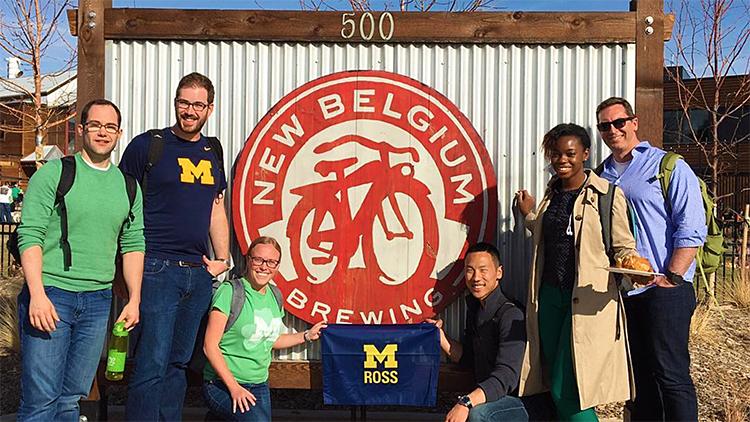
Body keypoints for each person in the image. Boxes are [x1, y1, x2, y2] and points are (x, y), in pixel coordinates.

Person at [15, 99, 145, 421]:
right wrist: (37, 294)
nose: (103, 132)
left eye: (110, 127)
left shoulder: (128, 186)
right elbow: (29, 235)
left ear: (119, 133)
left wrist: (134, 299)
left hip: (98, 301)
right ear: (82, 129)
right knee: (41, 401)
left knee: (72, 399)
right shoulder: (55, 174)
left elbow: (133, 244)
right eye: (96, 125)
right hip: (52, 295)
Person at [120, 72, 232, 421]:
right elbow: (121, 204)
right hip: (156, 268)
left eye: (198, 104)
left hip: (198, 274)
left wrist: (223, 258)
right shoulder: (147, 146)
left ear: (209, 109)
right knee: (151, 363)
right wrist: (121, 270)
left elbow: (216, 208)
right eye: (184, 102)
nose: (189, 111)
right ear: (175, 103)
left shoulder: (213, 150)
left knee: (178, 364)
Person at [516, 123, 645, 421]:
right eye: (556, 154)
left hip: (586, 303)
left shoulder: (607, 195)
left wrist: (633, 267)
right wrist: (530, 214)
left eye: (570, 153)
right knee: (554, 383)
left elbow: (623, 246)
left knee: (567, 390)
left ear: (585, 154)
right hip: (549, 299)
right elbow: (552, 234)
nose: (562, 160)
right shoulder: (552, 194)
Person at [595, 97, 706, 421]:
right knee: (639, 376)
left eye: (619, 122)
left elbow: (691, 225)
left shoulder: (666, 165)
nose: (613, 130)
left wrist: (672, 276)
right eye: (604, 125)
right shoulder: (601, 175)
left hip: (664, 289)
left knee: (671, 375)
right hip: (626, 293)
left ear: (634, 123)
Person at [202, 236, 327, 422]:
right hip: (222, 384)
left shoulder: (275, 296)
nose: (264, 267)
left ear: (277, 266)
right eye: (258, 260)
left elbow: (271, 339)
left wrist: (307, 335)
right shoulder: (230, 292)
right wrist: (234, 388)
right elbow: (209, 346)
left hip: (259, 385)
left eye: (271, 262)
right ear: (248, 260)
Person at [427, 242, 528, 422]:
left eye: (483, 270)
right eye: (470, 270)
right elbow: (469, 359)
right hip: (494, 397)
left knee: (479, 414)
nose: (476, 278)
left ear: (499, 272)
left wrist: (466, 402)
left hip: (522, 402)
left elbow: (506, 376)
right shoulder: (476, 310)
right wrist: (440, 337)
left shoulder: (511, 314)